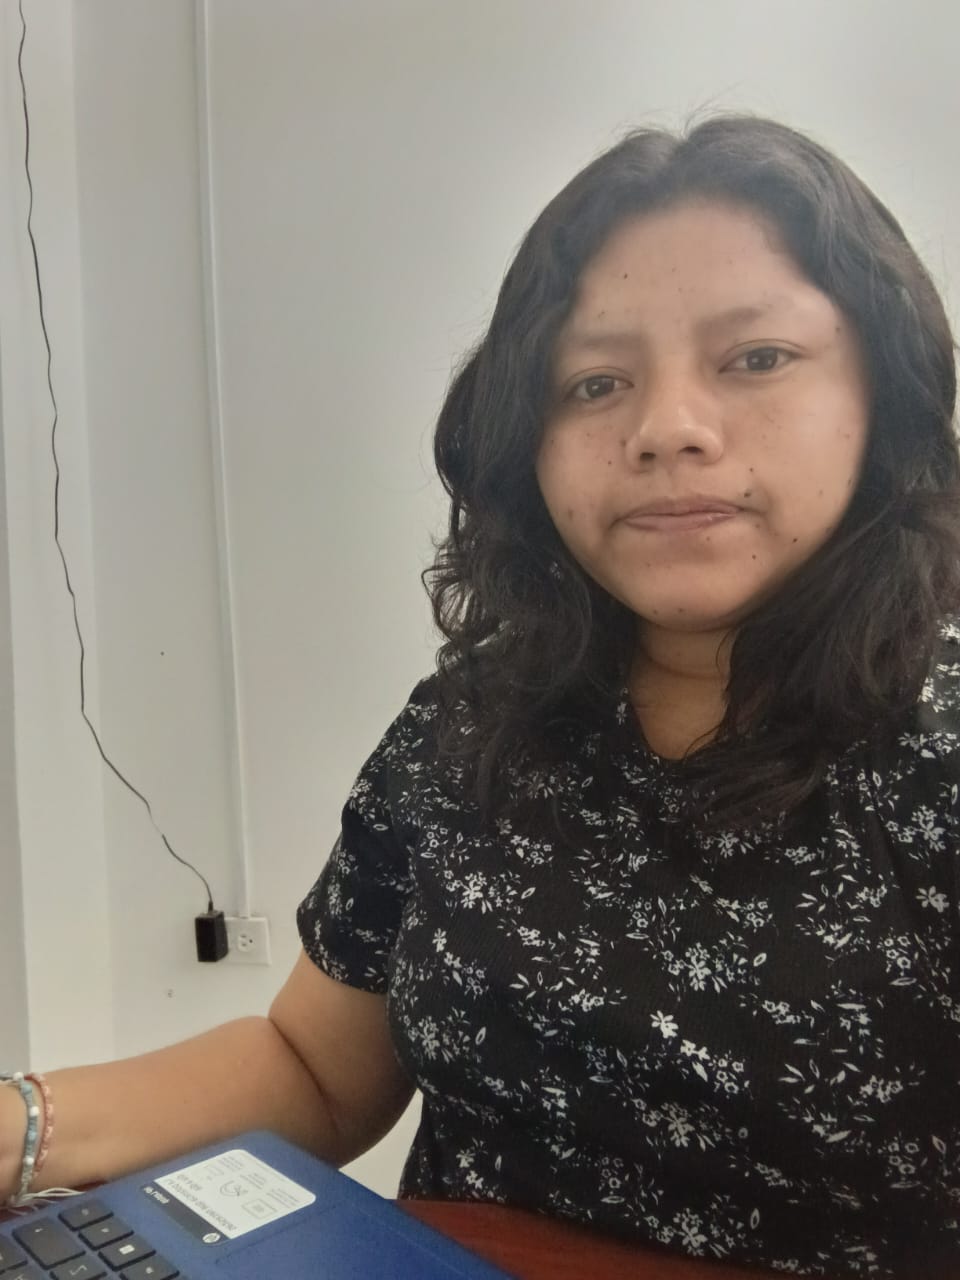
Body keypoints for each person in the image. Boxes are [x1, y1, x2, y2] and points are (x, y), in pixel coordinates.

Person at [4, 113, 960, 1279]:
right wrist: (20, 1123)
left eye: (755, 358)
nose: (667, 429)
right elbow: (313, 1068)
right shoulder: (471, 721)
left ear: (885, 393)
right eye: (594, 382)